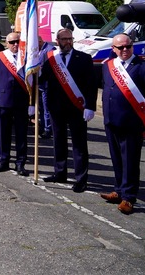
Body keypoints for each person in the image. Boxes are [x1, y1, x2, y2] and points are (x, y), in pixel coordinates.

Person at [99, 33, 145, 215]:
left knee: (130, 161)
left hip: (132, 123)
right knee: (117, 158)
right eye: (120, 47)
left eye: (128, 46)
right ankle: (118, 190)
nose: (125, 50)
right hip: (111, 121)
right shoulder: (109, 66)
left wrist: (143, 118)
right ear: (114, 49)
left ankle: (128, 197)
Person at [40, 29, 96, 192]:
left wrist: (90, 106)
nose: (68, 42)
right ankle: (60, 172)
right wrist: (33, 72)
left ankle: (81, 178)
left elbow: (91, 85)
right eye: (64, 39)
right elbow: (43, 79)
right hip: (56, 107)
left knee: (79, 144)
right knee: (58, 141)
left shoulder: (84, 58)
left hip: (77, 107)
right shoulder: (50, 58)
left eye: (70, 39)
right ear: (57, 41)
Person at [0, 32, 33, 176]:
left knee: (21, 134)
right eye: (12, 42)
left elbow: (33, 82)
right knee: (3, 133)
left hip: (22, 101)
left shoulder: (27, 58)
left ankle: (20, 163)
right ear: (7, 43)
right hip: (3, 100)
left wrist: (32, 102)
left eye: (17, 42)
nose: (15, 45)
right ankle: (3, 160)